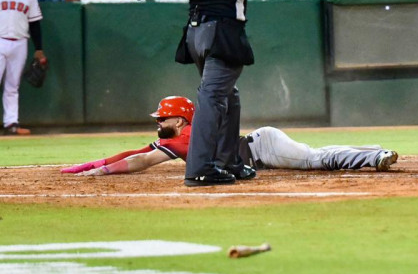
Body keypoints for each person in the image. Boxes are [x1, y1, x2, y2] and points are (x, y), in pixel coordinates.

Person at [145, 0, 340, 186]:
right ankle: (199, 169)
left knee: (228, 97)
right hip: (222, 33)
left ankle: (229, 161)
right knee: (212, 99)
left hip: (195, 36)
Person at [61, 96, 399, 175]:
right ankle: (374, 152)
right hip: (258, 151)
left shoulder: (183, 137)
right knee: (314, 155)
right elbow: (133, 153)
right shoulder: (178, 137)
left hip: (262, 147)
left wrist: (98, 173)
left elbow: (140, 160)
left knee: (314, 159)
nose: (157, 123)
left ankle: (374, 156)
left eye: (163, 118)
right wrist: (86, 166)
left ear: (179, 120)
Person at [0, 0, 45, 136]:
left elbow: (34, 24)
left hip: (20, 43)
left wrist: (39, 49)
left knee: (13, 86)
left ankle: (11, 123)